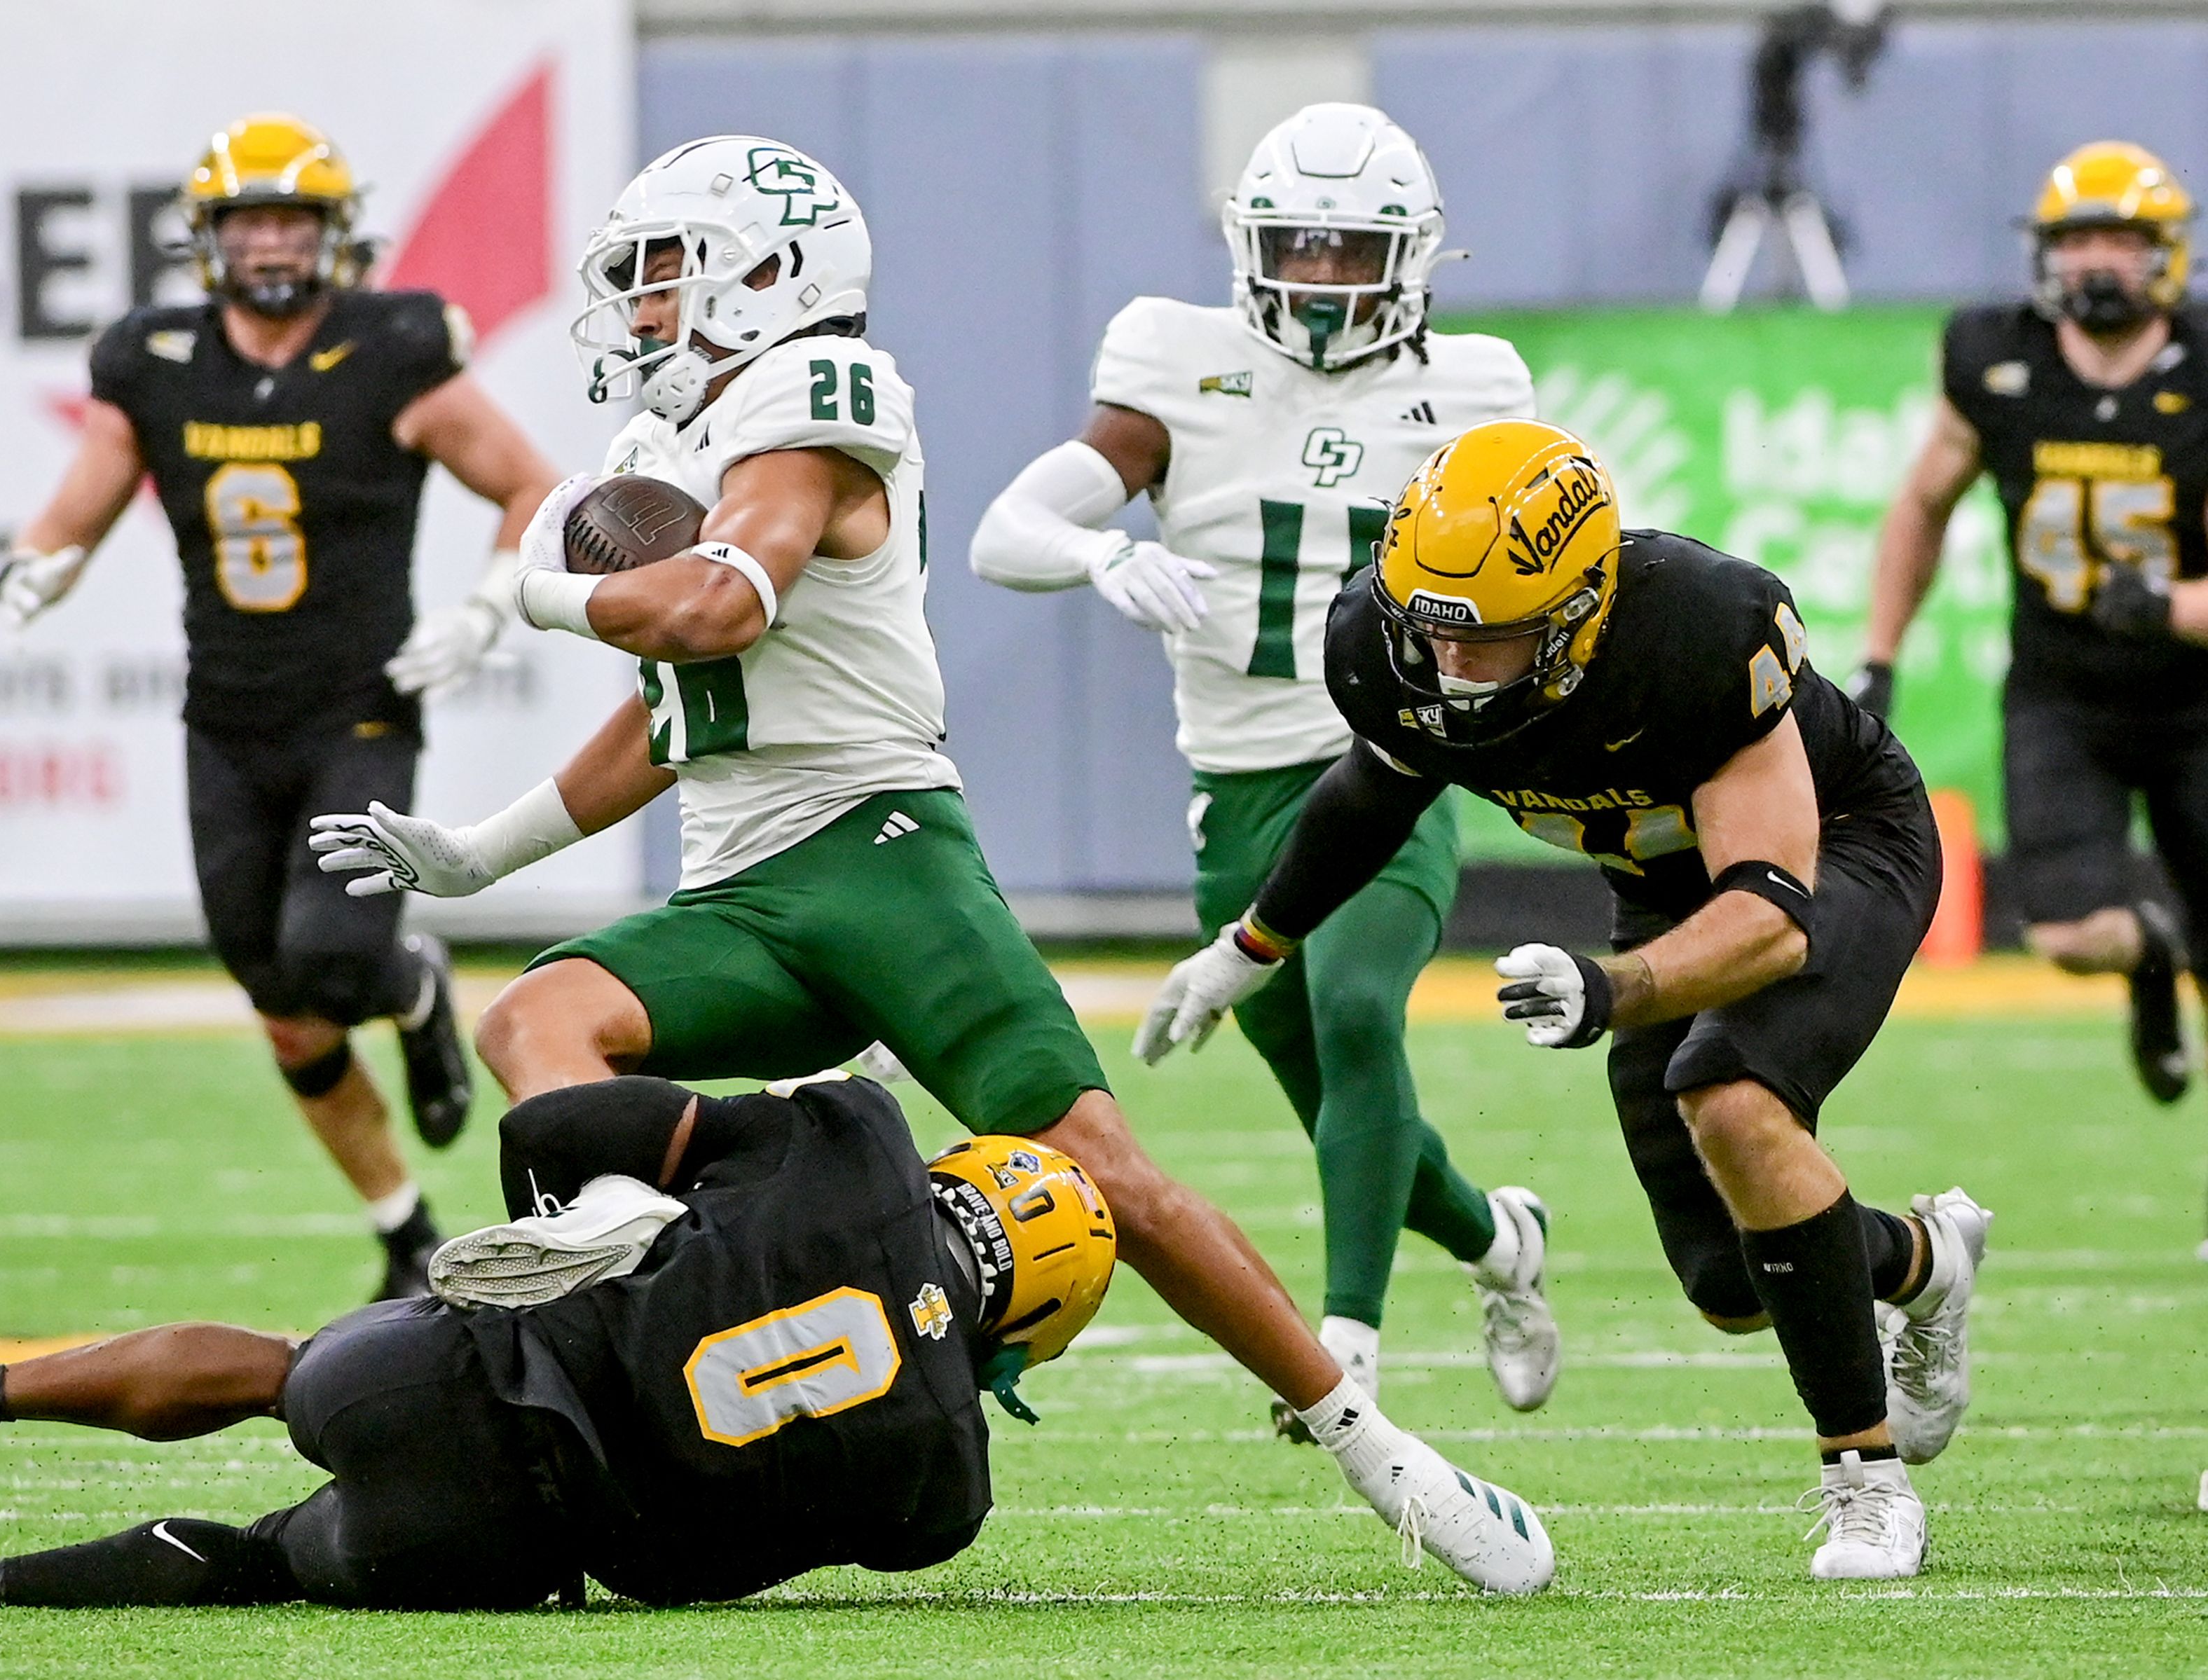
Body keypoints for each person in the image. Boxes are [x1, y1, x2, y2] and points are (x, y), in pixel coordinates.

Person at [308, 135, 1554, 1593]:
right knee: (533, 1019)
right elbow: (678, 718)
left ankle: (1376, 1444)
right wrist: (479, 848)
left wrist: (541, 580)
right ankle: (642, 1222)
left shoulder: (819, 399)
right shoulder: (664, 450)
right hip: (747, 889)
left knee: (1109, 1175)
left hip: (885, 853)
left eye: (663, 279)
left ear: (764, 280)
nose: (639, 312)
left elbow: (717, 608)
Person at [1137, 419, 1992, 1581]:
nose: (1450, 672)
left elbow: (1772, 910)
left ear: (1582, 609)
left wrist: (1614, 986)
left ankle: (1867, 1483)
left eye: (1488, 643)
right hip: (1662, 884)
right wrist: (1253, 942)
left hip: (1834, 851)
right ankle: (1920, 1260)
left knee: (1729, 1093)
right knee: (1732, 1284)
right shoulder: (1395, 646)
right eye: (1429, 637)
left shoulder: (1698, 631)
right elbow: (1378, 786)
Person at [971, 103, 1556, 1405]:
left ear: (1413, 259)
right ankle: (1501, 1240)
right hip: (1234, 795)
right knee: (1359, 1117)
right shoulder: (1177, 361)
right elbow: (1004, 532)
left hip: (1395, 763)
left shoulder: (1474, 387)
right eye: (1302, 244)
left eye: (1356, 250)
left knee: (1358, 1012)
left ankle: (1344, 1345)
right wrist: (1101, 549)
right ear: (1249, 243)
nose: (1327, 277)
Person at [0, 1072, 1112, 1611]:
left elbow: (560, 1122)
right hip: (512, 1540)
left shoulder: (856, 1134)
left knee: (277, 1367)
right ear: (1036, 1323)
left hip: (462, 1368)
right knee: (266, 1560)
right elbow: (696, 1575)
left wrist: (610, 1228)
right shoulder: (947, 1490)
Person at [0, 114, 562, 1298]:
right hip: (225, 715)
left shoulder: (394, 350)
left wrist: (485, 607)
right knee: (283, 1005)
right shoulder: (154, 360)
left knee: (331, 952)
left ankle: (410, 984)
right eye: (248, 220)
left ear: (333, 234)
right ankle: (404, 1230)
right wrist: (43, 560)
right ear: (208, 237)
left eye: (290, 220)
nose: (268, 243)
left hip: (356, 708)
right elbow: (81, 503)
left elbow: (529, 484)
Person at [1863, 139, 2208, 1118]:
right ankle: (2151, 956)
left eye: (2120, 239)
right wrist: (1878, 656)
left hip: (2195, 695)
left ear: (2166, 254)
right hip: (2064, 691)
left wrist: (2175, 606)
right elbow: (1921, 505)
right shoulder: (1997, 357)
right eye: (2077, 240)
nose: (2097, 262)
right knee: (2067, 933)